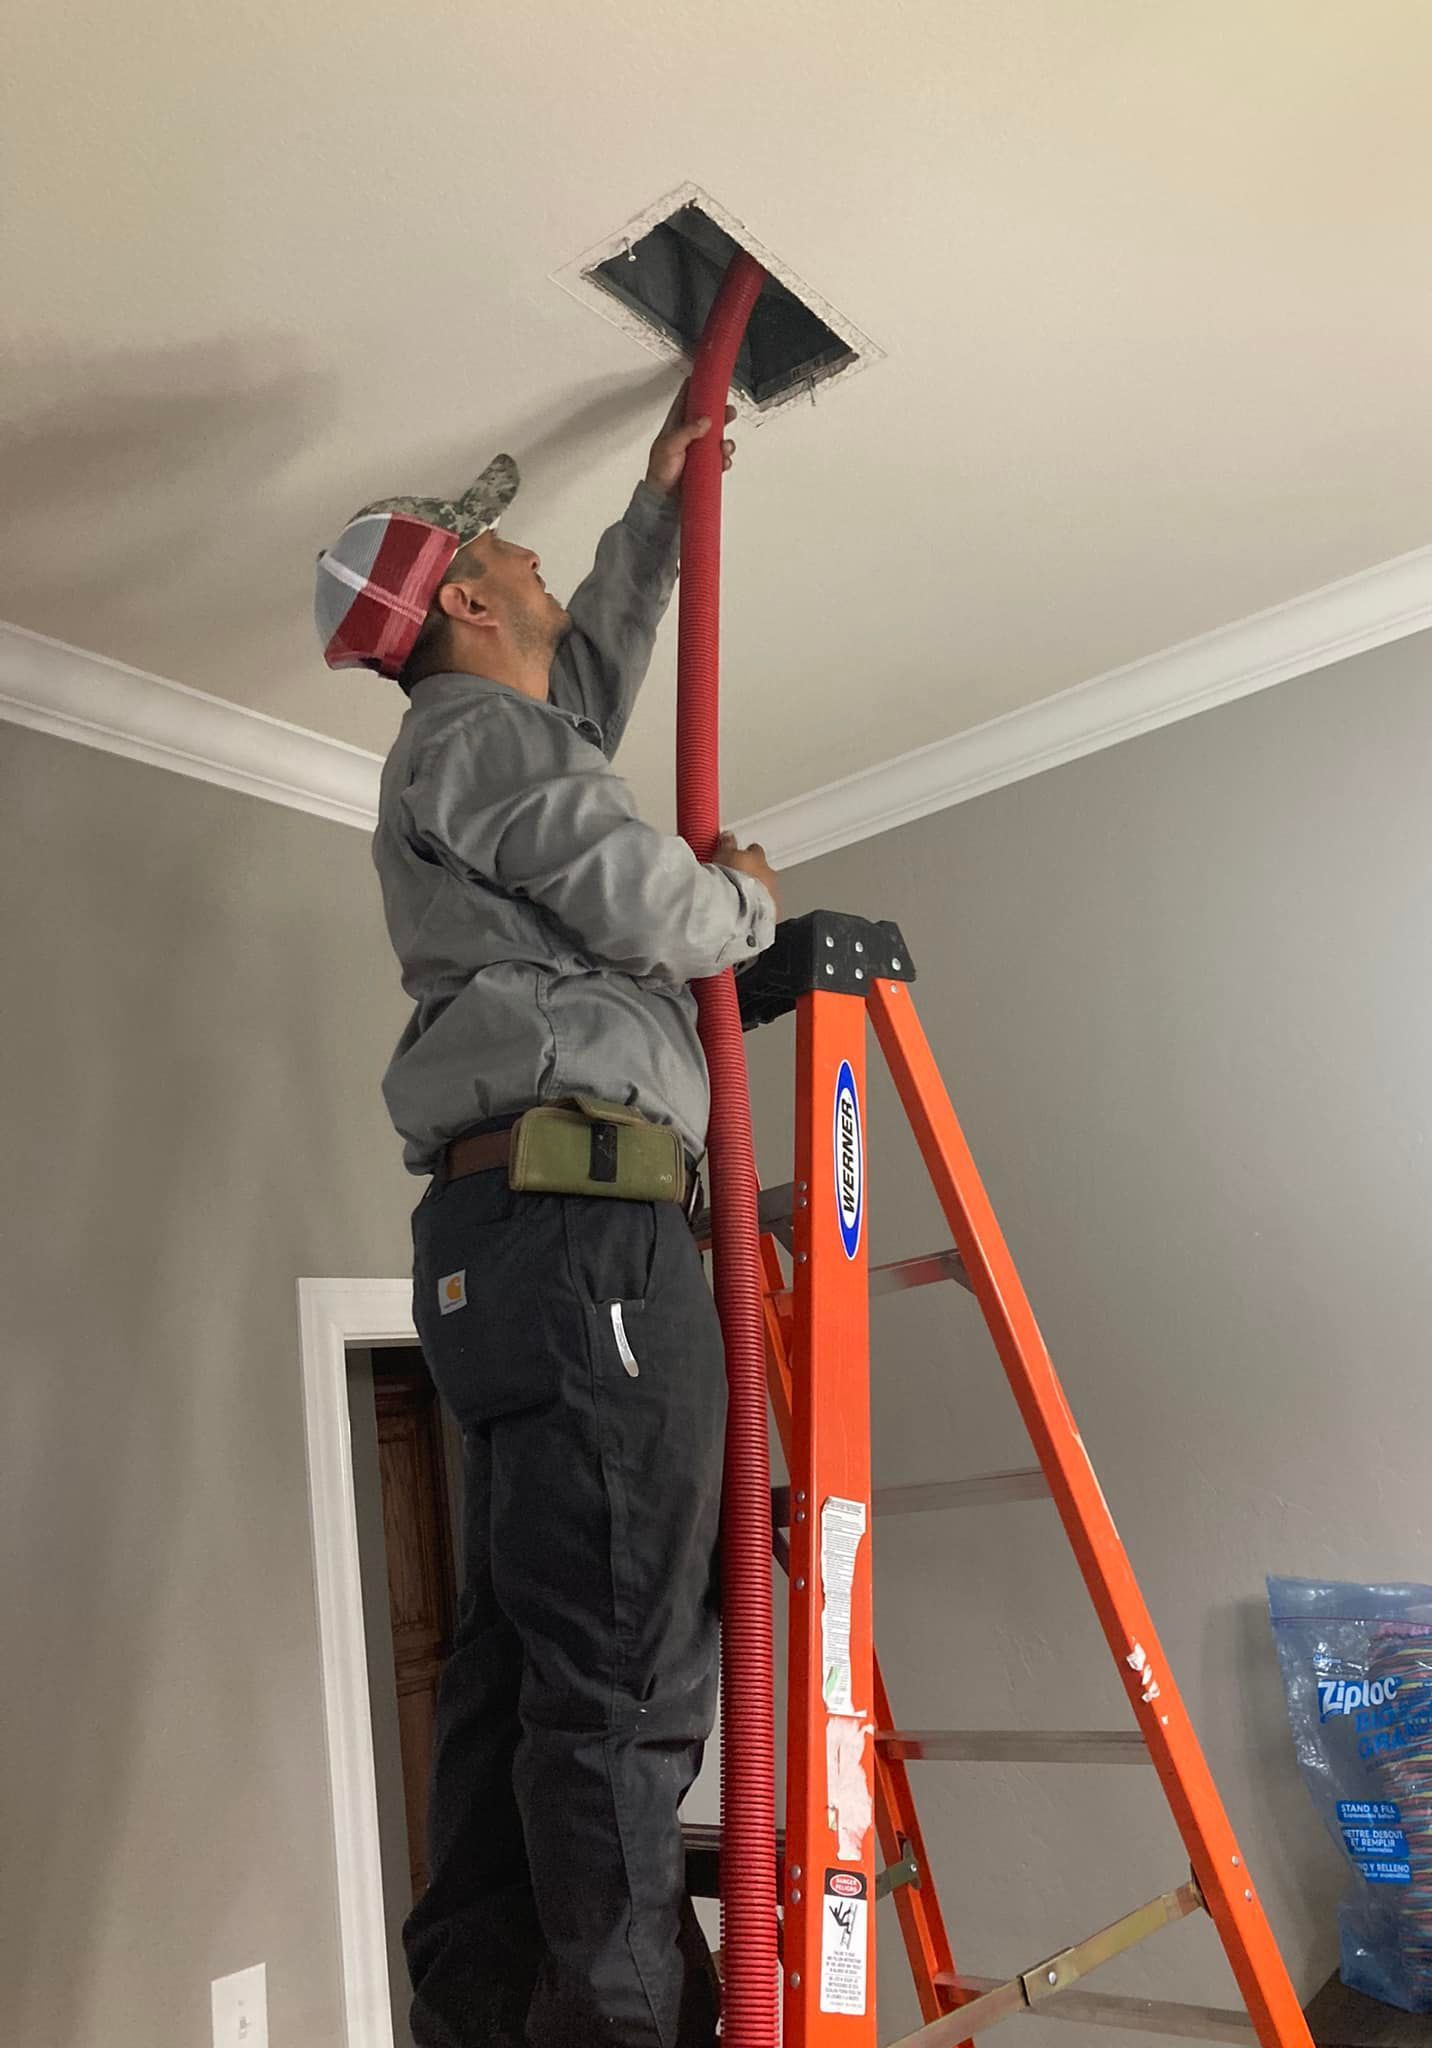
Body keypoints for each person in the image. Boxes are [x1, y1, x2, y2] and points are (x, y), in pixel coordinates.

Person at [314, 388, 780, 2048]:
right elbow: (653, 896)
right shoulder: (471, 741)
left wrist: (661, 507)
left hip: (516, 1248)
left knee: (526, 1671)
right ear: (458, 600)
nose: (525, 546)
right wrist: (747, 907)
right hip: (588, 1240)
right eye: (498, 541)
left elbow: (580, 687)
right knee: (622, 1693)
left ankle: (491, 2016)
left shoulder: (478, 738)